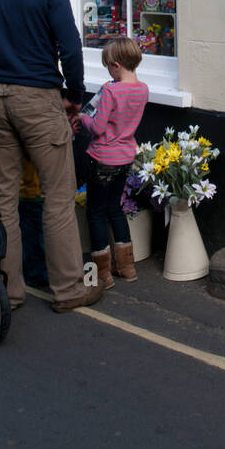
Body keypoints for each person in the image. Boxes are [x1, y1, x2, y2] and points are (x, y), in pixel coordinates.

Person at [0, 0, 100, 313]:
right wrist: (73, 96)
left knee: (4, 198)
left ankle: (9, 290)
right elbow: (71, 50)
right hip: (39, 99)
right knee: (58, 197)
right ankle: (69, 290)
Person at [77, 37, 149, 288]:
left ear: (116, 65)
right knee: (115, 208)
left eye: (108, 65)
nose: (108, 70)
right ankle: (127, 267)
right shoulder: (142, 89)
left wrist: (81, 118)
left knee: (95, 212)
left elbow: (97, 127)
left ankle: (103, 274)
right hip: (125, 157)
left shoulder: (110, 91)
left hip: (102, 157)